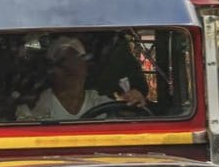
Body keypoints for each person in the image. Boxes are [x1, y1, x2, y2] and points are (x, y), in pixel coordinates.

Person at [18, 36, 147, 121]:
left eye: (76, 61)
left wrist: (133, 103)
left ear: (86, 68)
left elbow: (130, 121)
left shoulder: (103, 103)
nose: (70, 69)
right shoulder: (32, 109)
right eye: (62, 63)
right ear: (51, 70)